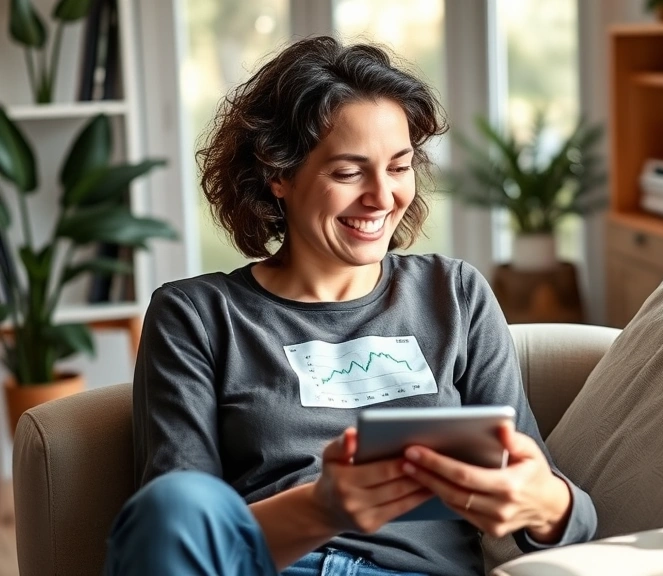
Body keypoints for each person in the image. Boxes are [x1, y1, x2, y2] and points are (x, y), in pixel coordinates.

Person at [104, 36, 597, 576]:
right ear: (278, 175)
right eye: (347, 172)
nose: (383, 197)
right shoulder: (197, 315)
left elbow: (553, 502)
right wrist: (324, 507)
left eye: (399, 166)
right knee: (173, 504)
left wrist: (548, 504)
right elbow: (173, 532)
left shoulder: (453, 295)